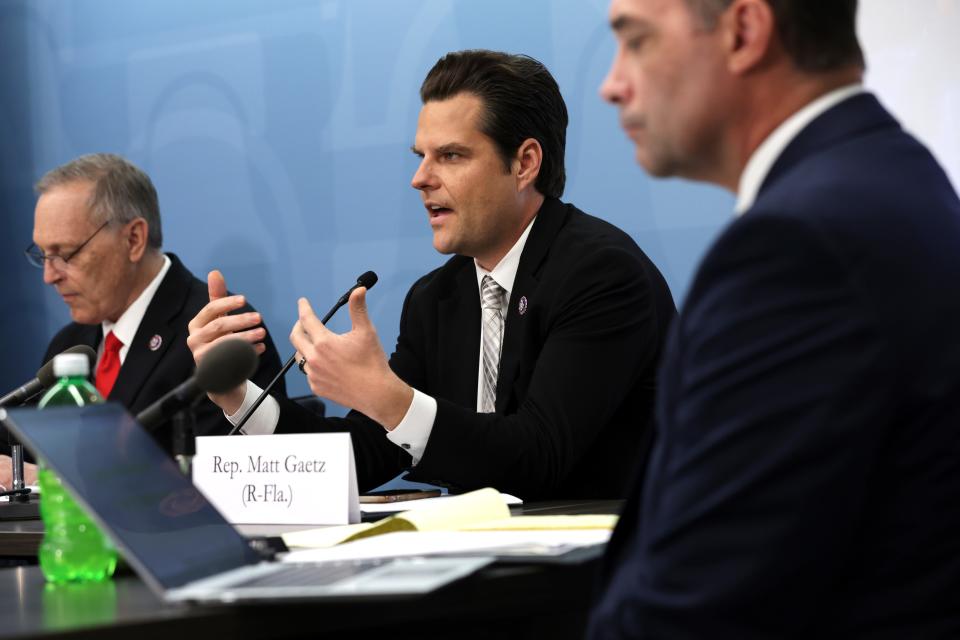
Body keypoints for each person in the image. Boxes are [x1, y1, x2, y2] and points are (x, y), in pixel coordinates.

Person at [589, 0, 960, 637]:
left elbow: (697, 612)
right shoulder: (889, 178)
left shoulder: (798, 247)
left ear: (744, 32)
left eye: (638, 41)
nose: (612, 83)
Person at [188, 50, 676, 500]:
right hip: (487, 571)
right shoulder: (437, 298)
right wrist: (238, 396)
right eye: (420, 156)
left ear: (524, 163)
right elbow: (363, 456)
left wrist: (388, 398)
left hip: (609, 573)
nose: (420, 178)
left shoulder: (601, 275)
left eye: (451, 155)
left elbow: (539, 457)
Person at [0, 153, 285, 491]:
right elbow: (28, 456)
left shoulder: (216, 333)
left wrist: (46, 480)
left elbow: (227, 479)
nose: (49, 276)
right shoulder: (67, 346)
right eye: (43, 254)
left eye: (66, 254)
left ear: (133, 239)